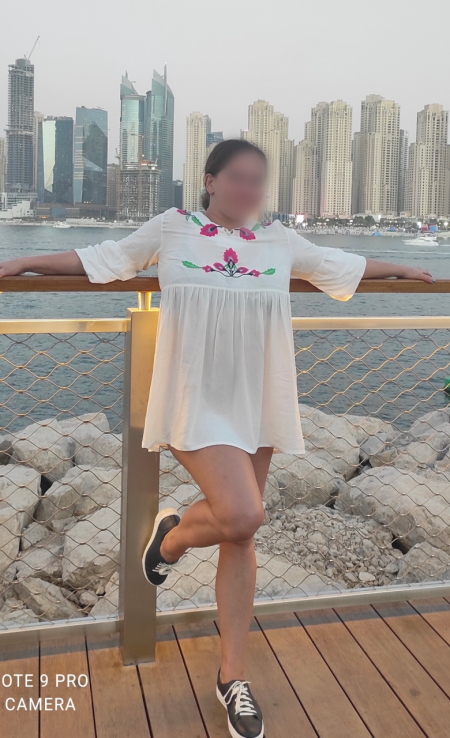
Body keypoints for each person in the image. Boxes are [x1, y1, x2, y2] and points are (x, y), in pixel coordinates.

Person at [0, 139, 433, 738]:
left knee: (242, 533)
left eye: (258, 181)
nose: (250, 191)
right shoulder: (173, 227)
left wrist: (403, 269)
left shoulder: (278, 240)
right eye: (239, 179)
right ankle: (173, 539)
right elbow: (105, 258)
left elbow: (342, 264)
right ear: (210, 181)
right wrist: (24, 263)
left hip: (256, 400)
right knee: (243, 513)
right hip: (194, 397)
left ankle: (233, 677)